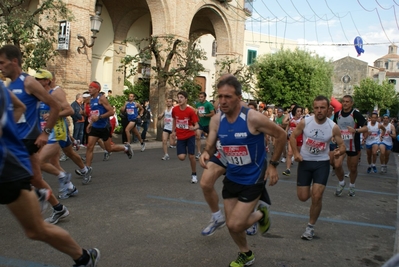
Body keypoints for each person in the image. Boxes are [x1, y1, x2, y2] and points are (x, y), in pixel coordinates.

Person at [0, 80, 100, 267]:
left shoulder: (38, 87)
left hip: (49, 137)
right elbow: (20, 108)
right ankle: (45, 196)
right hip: (26, 146)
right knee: (42, 170)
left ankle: (52, 188)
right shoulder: (15, 88)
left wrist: (45, 131)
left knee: (46, 164)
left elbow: (64, 109)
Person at [199, 75, 286, 267]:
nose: (223, 101)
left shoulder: (253, 118)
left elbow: (281, 135)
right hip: (232, 176)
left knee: (235, 224)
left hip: (253, 177)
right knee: (232, 226)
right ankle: (246, 253)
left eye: (228, 97)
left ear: (238, 97)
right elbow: (211, 145)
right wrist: (206, 153)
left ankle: (261, 213)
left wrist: (273, 165)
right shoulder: (216, 120)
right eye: (220, 96)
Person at [0, 45, 73, 225]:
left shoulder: (28, 82)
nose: (0, 67)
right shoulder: (10, 84)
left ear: (14, 61)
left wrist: (45, 133)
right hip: (15, 139)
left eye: (2, 62)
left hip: (27, 139)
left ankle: (40, 195)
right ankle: (57, 207)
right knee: (35, 178)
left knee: (21, 176)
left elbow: (55, 106)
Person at [290, 95, 346, 240]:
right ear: (313, 108)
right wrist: (295, 153)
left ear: (328, 109)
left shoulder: (333, 127)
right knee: (302, 197)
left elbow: (342, 146)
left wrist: (339, 151)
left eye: (322, 108)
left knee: (317, 195)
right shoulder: (305, 122)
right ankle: (312, 191)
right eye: (316, 108)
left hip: (322, 163)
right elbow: (292, 136)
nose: (319, 110)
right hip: (305, 161)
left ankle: (310, 227)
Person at [81, 81, 133, 184]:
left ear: (97, 89)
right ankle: (88, 170)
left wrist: (100, 117)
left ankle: (126, 148)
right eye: (89, 87)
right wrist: (90, 124)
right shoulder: (90, 100)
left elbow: (111, 112)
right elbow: (93, 114)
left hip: (104, 127)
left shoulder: (102, 98)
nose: (89, 89)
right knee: (90, 147)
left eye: (91, 88)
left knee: (109, 148)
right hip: (95, 127)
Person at [333, 95, 367, 197]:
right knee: (337, 165)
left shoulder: (355, 114)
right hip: (341, 144)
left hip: (353, 145)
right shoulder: (337, 114)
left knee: (353, 168)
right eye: (343, 101)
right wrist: (333, 136)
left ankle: (352, 185)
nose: (345, 103)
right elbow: (333, 127)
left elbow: (366, 128)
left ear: (351, 103)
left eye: (347, 101)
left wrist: (355, 130)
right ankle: (341, 183)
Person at [171, 91, 200, 183]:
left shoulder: (190, 111)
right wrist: (173, 131)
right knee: (181, 157)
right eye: (178, 97)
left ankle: (194, 174)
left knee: (191, 156)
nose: (179, 99)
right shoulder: (175, 110)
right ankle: (185, 152)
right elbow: (175, 119)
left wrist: (193, 128)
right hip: (180, 136)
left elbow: (197, 125)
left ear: (186, 99)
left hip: (190, 135)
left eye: (181, 97)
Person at [283, 105, 304, 176]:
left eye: (300, 111)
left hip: (300, 138)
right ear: (294, 111)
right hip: (291, 139)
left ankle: (303, 169)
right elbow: (288, 127)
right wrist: (285, 133)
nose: (299, 113)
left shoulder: (303, 120)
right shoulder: (291, 120)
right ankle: (287, 170)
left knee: (299, 154)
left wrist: (297, 125)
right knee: (289, 153)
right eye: (297, 111)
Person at [195, 92, 215, 159]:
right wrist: (197, 118)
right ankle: (199, 152)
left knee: (209, 139)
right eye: (199, 97)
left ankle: (208, 151)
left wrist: (205, 115)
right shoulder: (197, 104)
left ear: (205, 97)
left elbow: (213, 113)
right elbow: (197, 113)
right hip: (200, 123)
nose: (200, 98)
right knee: (198, 137)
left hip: (208, 124)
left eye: (201, 97)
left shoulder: (208, 104)